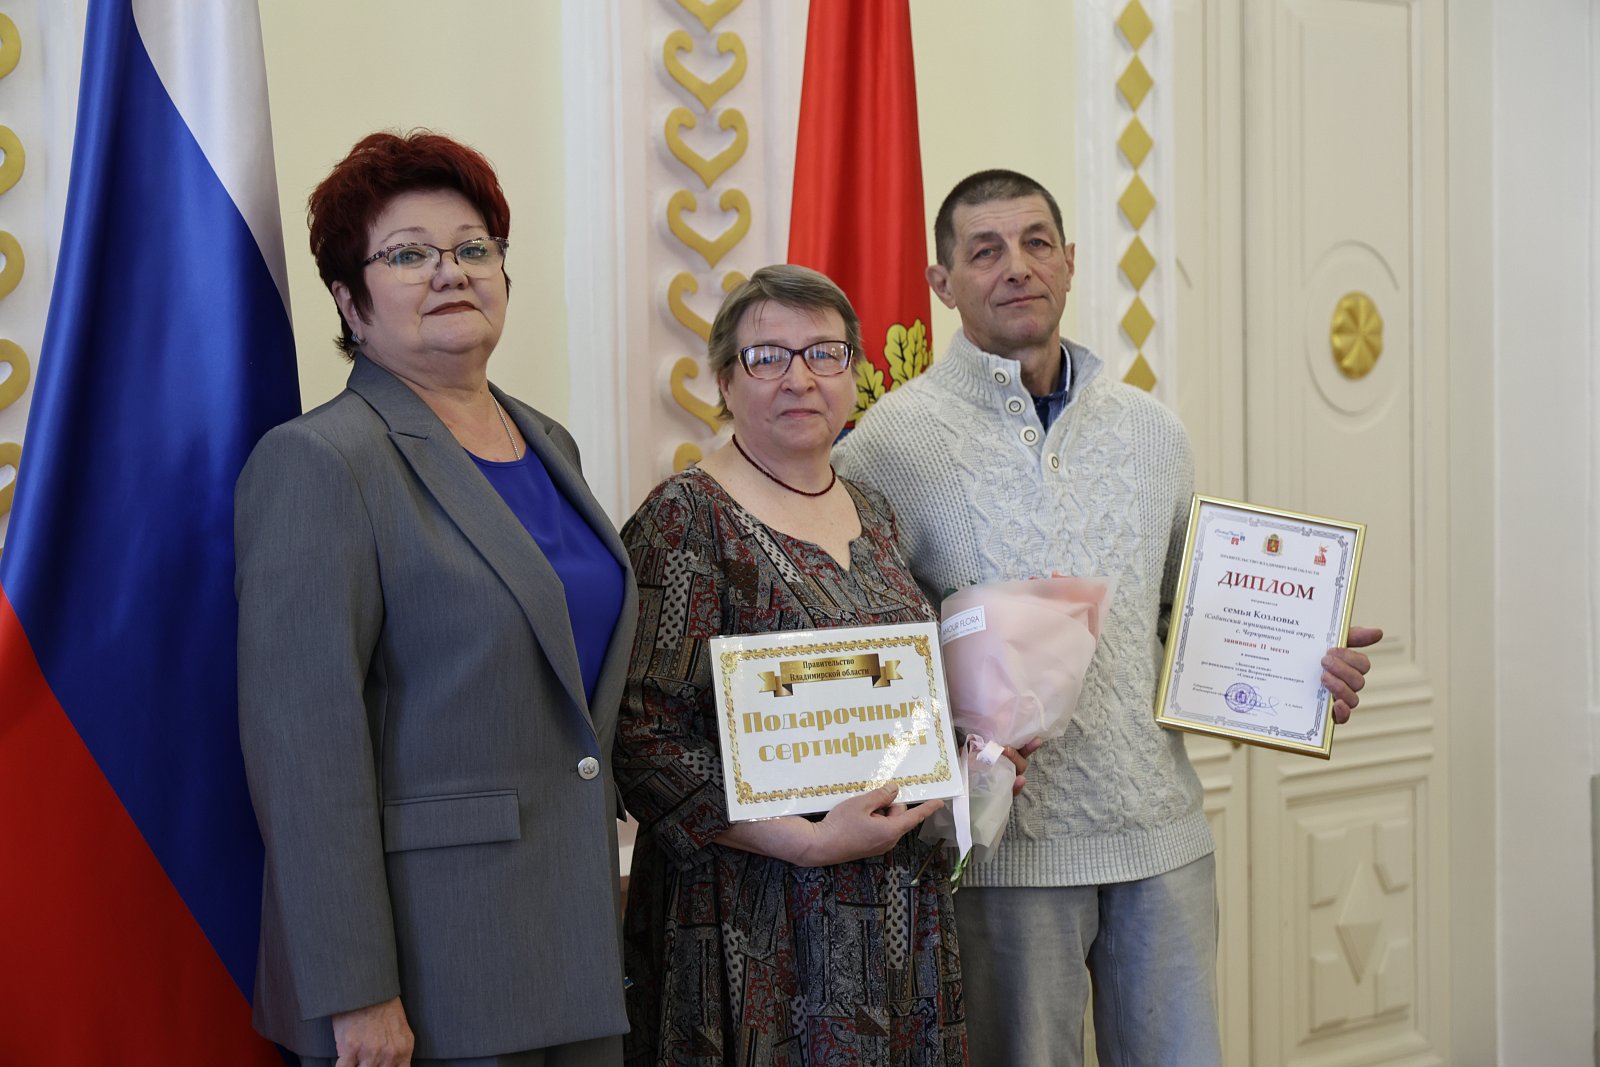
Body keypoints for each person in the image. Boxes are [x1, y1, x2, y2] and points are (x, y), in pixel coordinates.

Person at [833, 169, 1381, 1067]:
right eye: (985, 250)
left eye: (1037, 242)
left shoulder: (1155, 432)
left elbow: (1183, 622)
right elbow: (868, 654)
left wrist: (1301, 667)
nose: (1017, 266)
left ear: (1071, 260)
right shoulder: (887, 446)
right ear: (942, 283)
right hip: (1003, 860)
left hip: (1162, 843)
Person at [235, 131, 635, 1067]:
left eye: (473, 247)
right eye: (409, 254)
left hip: (573, 939)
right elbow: (305, 758)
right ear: (351, 302)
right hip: (430, 967)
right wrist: (355, 991)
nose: (451, 271)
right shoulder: (321, 461)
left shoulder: (551, 443)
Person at [615, 264, 1027, 1067]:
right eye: (768, 356)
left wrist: (972, 748)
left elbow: (894, 694)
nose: (800, 378)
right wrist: (804, 843)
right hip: (757, 921)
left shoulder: (874, 511)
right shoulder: (684, 517)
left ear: (854, 373)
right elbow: (643, 739)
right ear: (726, 381)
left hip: (897, 905)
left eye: (824, 353)